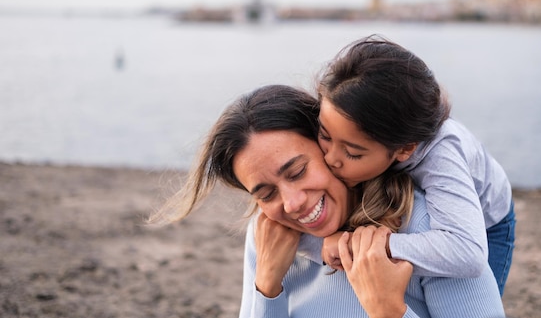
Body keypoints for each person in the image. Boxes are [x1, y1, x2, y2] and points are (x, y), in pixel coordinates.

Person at [151, 84, 505, 318]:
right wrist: (268, 287)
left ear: (329, 144)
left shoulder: (426, 229)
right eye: (266, 193)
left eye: (297, 171)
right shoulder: (271, 236)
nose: (292, 204)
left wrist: (388, 310)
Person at [317, 36, 516, 295]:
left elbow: (468, 252)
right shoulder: (342, 107)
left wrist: (369, 245)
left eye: (352, 153)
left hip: (488, 222)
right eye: (324, 135)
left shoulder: (442, 156)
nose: (331, 158)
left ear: (405, 149)